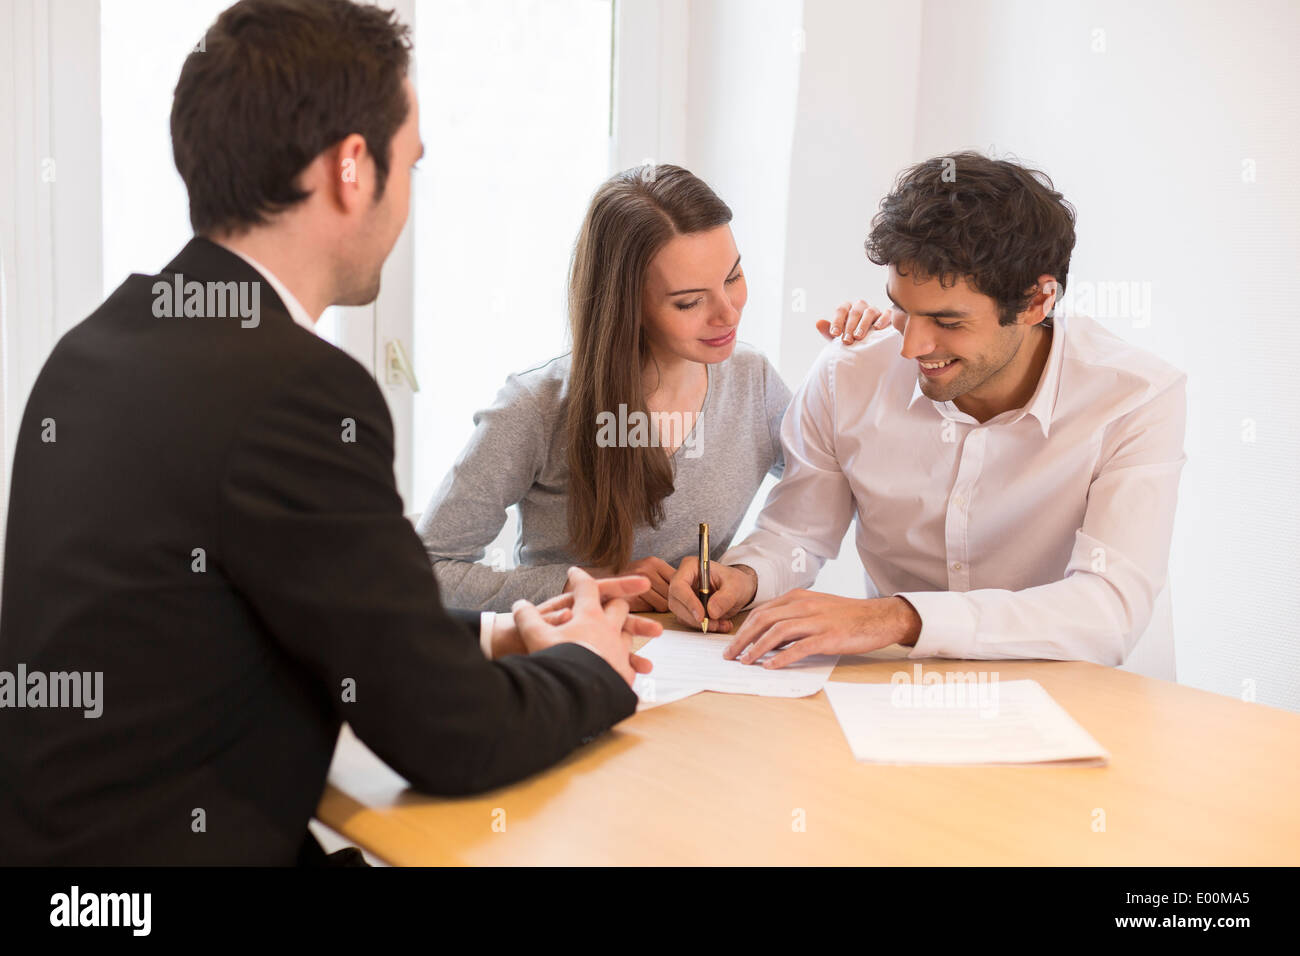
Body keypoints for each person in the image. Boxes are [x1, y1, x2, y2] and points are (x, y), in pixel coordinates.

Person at [0, 0, 660, 866]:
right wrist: (595, 669)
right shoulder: (295, 392)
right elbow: (451, 739)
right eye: (411, 165)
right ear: (354, 168)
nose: (410, 198)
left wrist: (499, 632)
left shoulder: (95, 348)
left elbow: (266, 606)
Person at [667, 151, 1187, 668]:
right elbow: (796, 533)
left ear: (1035, 302)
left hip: (1083, 698)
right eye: (900, 308)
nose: (912, 346)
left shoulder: (1135, 398)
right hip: (899, 695)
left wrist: (900, 617)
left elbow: (1108, 610)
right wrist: (746, 576)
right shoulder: (846, 375)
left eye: (948, 321)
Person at [417, 165, 792, 615]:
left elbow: (836, 480)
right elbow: (429, 571)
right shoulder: (534, 408)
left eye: (733, 277)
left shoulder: (755, 381)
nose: (728, 314)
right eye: (690, 301)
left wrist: (868, 356)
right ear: (626, 302)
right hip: (572, 665)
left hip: (705, 666)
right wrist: (588, 584)